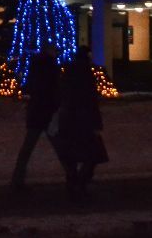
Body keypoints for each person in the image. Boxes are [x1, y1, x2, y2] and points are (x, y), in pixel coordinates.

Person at [53, 49, 108, 197]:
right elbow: (91, 101)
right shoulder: (86, 74)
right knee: (92, 154)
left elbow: (61, 94)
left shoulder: (67, 73)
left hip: (68, 118)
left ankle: (73, 180)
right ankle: (81, 181)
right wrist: (96, 123)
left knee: (71, 153)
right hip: (84, 120)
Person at [10, 43, 61, 191]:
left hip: (36, 112)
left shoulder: (36, 67)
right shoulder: (51, 68)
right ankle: (73, 175)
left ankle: (17, 179)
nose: (57, 53)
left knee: (27, 148)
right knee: (59, 145)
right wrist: (56, 107)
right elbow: (54, 91)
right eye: (55, 51)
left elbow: (31, 87)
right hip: (47, 112)